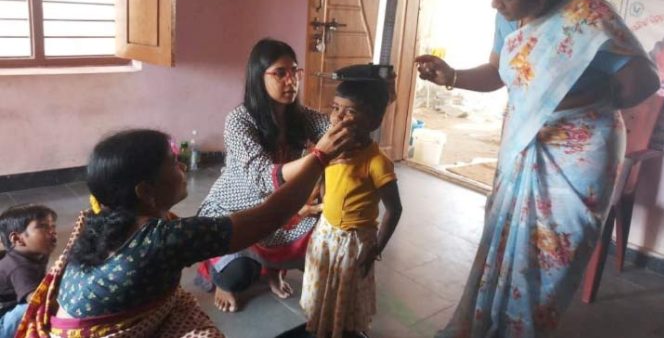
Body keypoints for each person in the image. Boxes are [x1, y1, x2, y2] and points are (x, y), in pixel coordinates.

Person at [415, 0, 660, 338]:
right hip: (525, 145)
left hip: (578, 158)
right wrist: (452, 76)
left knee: (547, 269)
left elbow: (645, 82)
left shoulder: (590, 17)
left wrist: (578, 94)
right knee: (503, 247)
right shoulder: (510, 16)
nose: (496, 4)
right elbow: (499, 73)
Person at [15, 127, 351, 337]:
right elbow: (270, 216)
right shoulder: (163, 239)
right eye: (173, 164)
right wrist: (319, 157)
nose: (182, 168)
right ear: (146, 191)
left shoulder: (98, 219)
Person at [196, 38, 337, 313]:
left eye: (295, 71)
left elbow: (331, 130)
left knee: (325, 225)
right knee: (238, 276)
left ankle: (273, 268)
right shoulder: (239, 120)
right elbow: (263, 176)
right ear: (258, 77)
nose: (291, 81)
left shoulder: (300, 116)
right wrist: (318, 158)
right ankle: (222, 276)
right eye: (280, 73)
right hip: (235, 211)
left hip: (279, 210)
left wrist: (350, 114)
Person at [299, 78, 403, 338]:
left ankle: (342, 330)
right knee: (323, 287)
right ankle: (321, 325)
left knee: (345, 293)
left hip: (354, 241)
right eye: (335, 108)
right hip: (326, 234)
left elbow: (394, 209)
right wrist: (312, 198)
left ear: (373, 121)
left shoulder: (378, 163)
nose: (338, 117)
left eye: (350, 111)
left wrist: (376, 248)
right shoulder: (330, 150)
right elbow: (320, 176)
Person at [0, 205, 57, 338]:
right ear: (17, 239)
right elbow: (36, 300)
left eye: (52, 226)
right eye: (42, 226)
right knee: (27, 309)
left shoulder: (39, 254)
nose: (52, 231)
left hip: (10, 306)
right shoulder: (18, 267)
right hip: (3, 321)